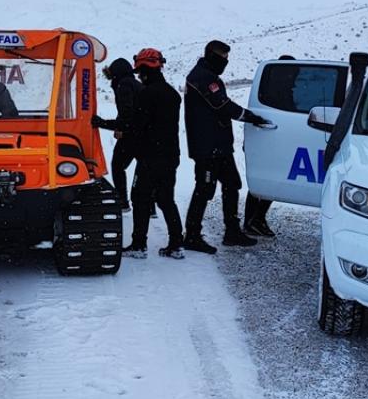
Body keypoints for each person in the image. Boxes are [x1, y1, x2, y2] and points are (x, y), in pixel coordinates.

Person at [183, 40, 273, 253]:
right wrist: (249, 116)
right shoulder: (202, 77)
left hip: (218, 144)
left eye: (226, 58)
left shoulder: (207, 75)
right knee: (204, 189)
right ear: (211, 56)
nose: (225, 62)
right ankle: (192, 234)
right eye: (222, 58)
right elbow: (221, 105)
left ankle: (232, 231)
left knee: (232, 184)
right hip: (207, 146)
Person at [118, 48, 186, 259]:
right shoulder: (172, 94)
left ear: (145, 70)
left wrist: (111, 126)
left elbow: (136, 126)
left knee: (140, 198)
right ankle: (176, 244)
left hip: (149, 157)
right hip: (170, 155)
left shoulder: (146, 94)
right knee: (166, 199)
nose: (139, 76)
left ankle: (139, 245)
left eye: (139, 72)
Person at [91, 58, 142, 211]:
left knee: (118, 165)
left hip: (132, 134)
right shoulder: (135, 84)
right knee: (144, 168)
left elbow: (127, 114)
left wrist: (103, 123)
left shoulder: (123, 85)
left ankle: (122, 201)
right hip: (143, 133)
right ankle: (149, 204)